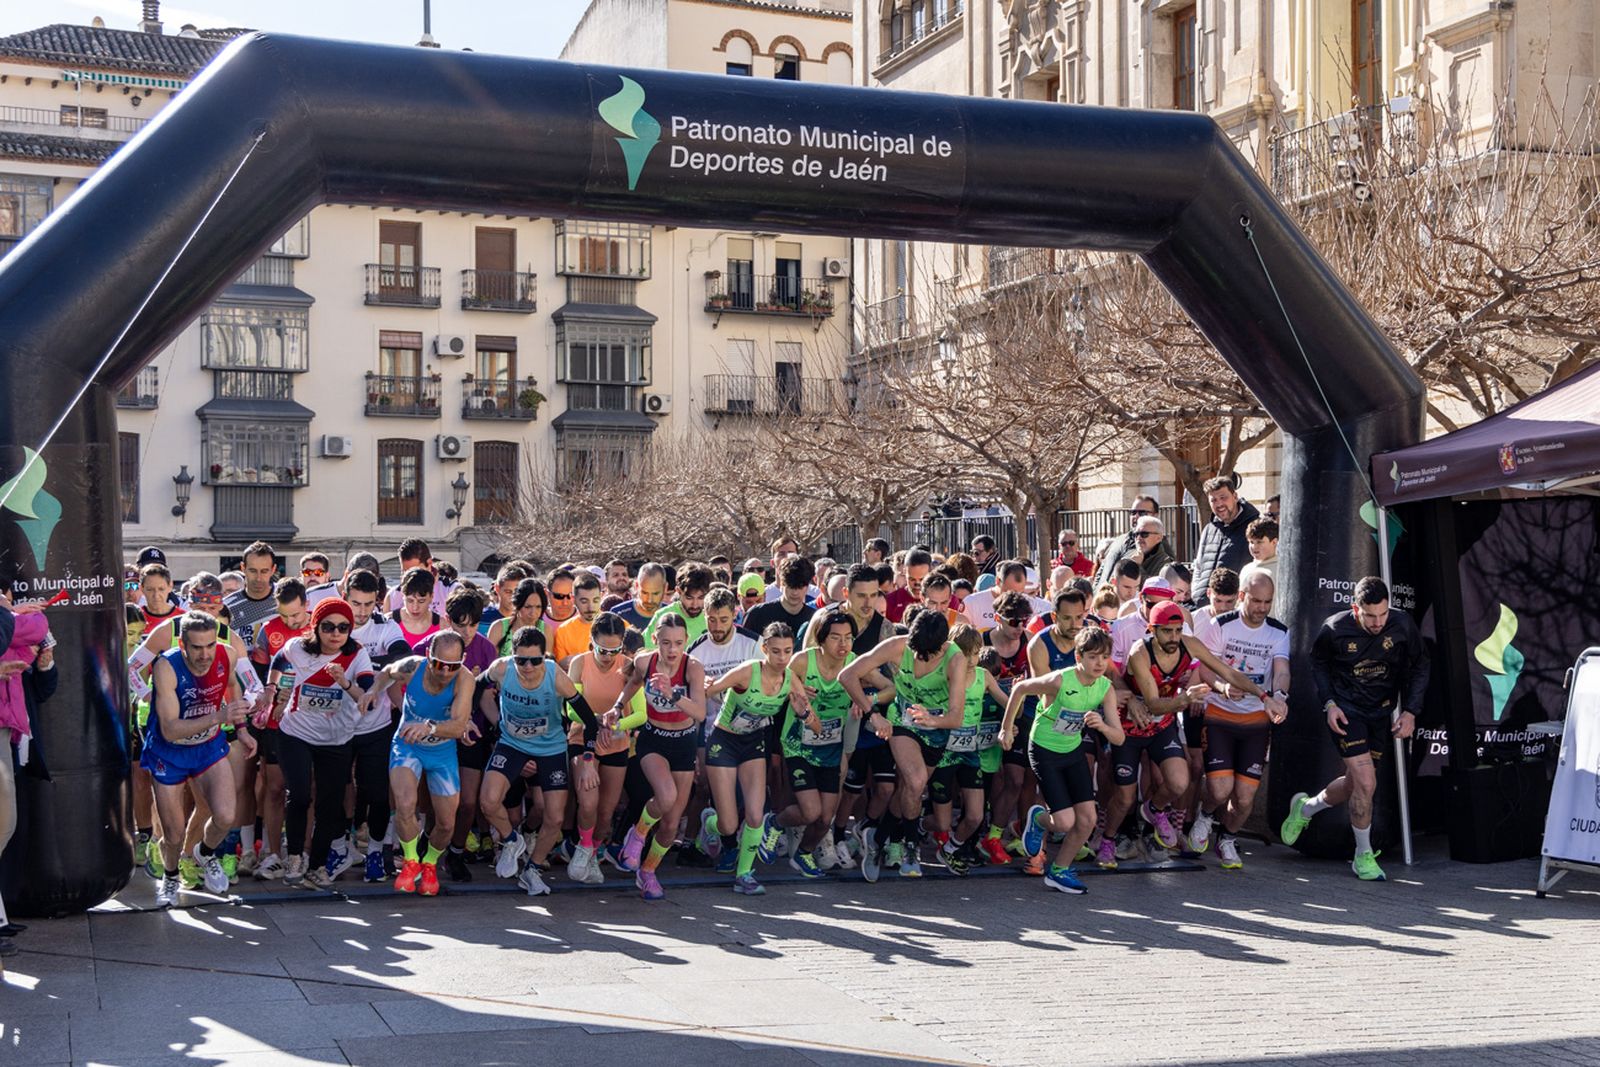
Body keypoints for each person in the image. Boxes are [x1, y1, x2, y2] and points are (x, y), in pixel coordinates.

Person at [1282, 576, 1428, 881]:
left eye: (1382, 614)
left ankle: (1305, 809)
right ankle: (1363, 855)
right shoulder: (1334, 628)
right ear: (1355, 608)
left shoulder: (1402, 625)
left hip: (1380, 713)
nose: (1378, 623)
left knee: (1356, 784)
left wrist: (1411, 711)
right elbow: (1318, 664)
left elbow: (1420, 665)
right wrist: (1330, 703)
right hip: (1347, 713)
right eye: (1370, 616)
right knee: (1366, 782)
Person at [1107, 601, 1268, 865]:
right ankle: (1107, 839)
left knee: (1179, 782)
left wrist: (1264, 696)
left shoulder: (1188, 644)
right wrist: (1185, 699)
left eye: (1178, 630)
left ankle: (1154, 809)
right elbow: (1152, 703)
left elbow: (1228, 672)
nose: (1173, 637)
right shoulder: (1140, 652)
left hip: (1162, 724)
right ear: (1151, 630)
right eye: (1166, 631)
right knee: (1124, 797)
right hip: (1132, 725)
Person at [842, 608, 970, 880]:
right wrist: (873, 714)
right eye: (916, 652)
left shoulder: (955, 659)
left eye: (928, 655)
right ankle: (911, 847)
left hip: (936, 729)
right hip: (903, 722)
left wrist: (932, 720)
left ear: (943, 646)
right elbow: (848, 675)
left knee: (911, 789)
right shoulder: (897, 646)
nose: (920, 659)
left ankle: (877, 838)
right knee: (916, 781)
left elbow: (957, 717)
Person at [262, 597, 377, 888]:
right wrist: (271, 688)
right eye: (328, 627)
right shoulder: (298, 648)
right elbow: (278, 660)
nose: (336, 633)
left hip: (336, 738)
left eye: (343, 627)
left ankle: (318, 865)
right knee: (300, 795)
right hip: (295, 733)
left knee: (330, 802)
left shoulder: (357, 654)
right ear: (316, 627)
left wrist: (344, 682)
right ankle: (295, 856)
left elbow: (366, 695)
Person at [999, 627, 1125, 894]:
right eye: (1092, 657)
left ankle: (1059, 871)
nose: (1099, 663)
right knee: (1065, 822)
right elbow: (1020, 688)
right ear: (1078, 657)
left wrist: (1102, 725)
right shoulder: (1060, 680)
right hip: (1044, 748)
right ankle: (1037, 820)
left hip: (1072, 749)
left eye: (1104, 657)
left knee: (1087, 819)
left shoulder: (1105, 688)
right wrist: (1006, 729)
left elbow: (1119, 738)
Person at [477, 625, 601, 895]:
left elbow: (590, 721)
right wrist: (470, 721)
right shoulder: (501, 668)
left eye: (535, 660)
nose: (528, 667)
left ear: (544, 656)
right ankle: (511, 840)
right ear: (512, 656)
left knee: (554, 817)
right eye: (521, 660)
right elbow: (475, 687)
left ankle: (532, 869)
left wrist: (588, 757)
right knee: (488, 801)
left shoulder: (556, 676)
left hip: (550, 748)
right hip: (512, 744)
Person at [144, 612, 251, 906]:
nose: (205, 655)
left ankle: (204, 852)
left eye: (210, 645)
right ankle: (170, 875)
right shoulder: (166, 667)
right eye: (197, 648)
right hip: (169, 752)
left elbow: (231, 686)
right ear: (182, 645)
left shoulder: (227, 655)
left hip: (207, 747)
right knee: (173, 834)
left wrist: (241, 729)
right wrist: (218, 717)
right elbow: (170, 729)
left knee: (226, 816)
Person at [778, 609, 893, 877]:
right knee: (810, 811)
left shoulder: (854, 664)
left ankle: (804, 853)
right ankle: (774, 823)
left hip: (831, 747)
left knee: (824, 817)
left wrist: (865, 699)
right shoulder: (803, 661)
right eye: (835, 638)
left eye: (848, 637)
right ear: (821, 639)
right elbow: (773, 685)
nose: (843, 644)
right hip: (798, 743)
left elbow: (890, 688)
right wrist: (792, 691)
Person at [1190, 572, 1290, 867]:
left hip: (1256, 719)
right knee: (1220, 789)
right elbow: (1205, 668)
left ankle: (1227, 837)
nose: (1262, 608)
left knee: (1245, 797)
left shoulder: (1279, 631)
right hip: (1220, 714)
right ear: (1243, 596)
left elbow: (1282, 669)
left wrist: (1280, 695)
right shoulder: (1220, 625)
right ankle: (1205, 815)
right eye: (1257, 601)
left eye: (1268, 602)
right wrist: (1221, 687)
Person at [608, 613, 708, 900]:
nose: (672, 650)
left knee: (671, 824)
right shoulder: (645, 662)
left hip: (684, 743)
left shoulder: (693, 667)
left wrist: (673, 694)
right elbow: (633, 682)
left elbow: (700, 713)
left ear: (686, 641)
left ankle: (648, 871)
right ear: (655, 640)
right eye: (666, 643)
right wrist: (617, 707)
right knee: (665, 796)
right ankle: (637, 834)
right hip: (654, 740)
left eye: (678, 643)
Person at [369, 630, 476, 896]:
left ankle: (429, 862)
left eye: (453, 665)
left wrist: (428, 727)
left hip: (441, 752)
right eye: (439, 664)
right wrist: (372, 692)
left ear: (462, 661)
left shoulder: (465, 679)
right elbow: (387, 673)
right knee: (405, 805)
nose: (445, 671)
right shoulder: (413, 667)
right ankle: (410, 860)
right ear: (428, 656)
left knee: (446, 823)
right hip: (408, 746)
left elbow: (458, 726)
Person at [701, 622, 796, 894]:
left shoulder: (790, 678)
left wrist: (805, 713)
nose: (782, 658)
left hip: (754, 743)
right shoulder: (747, 671)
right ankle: (709, 823)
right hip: (724, 741)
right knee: (728, 824)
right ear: (764, 649)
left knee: (756, 816)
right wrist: (704, 684)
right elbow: (708, 691)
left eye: (787, 651)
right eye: (775, 651)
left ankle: (744, 875)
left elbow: (809, 715)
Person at [340, 569, 413, 882]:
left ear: (377, 602)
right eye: (355, 603)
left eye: (368, 604)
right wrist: (380, 669)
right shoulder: (333, 623)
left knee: (378, 792)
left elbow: (404, 659)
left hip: (376, 724)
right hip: (337, 725)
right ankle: (341, 848)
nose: (361, 611)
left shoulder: (385, 626)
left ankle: (374, 852)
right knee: (337, 790)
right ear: (344, 597)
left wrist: (371, 670)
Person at [566, 612, 642, 875]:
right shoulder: (579, 663)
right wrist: (596, 720)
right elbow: (570, 709)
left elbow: (641, 715)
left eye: (615, 650)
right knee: (588, 803)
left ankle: (594, 853)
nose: (608, 657)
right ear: (592, 642)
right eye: (602, 650)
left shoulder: (630, 666)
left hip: (616, 744)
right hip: (582, 739)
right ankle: (584, 846)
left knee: (606, 812)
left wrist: (614, 725)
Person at [930, 624, 1009, 874]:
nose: (971, 660)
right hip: (943, 751)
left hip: (970, 752)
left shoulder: (984, 676)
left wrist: (1008, 726)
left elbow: (1010, 703)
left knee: (975, 816)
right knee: (941, 822)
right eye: (965, 654)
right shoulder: (942, 674)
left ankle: (950, 849)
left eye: (975, 653)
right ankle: (916, 828)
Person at [1191, 476, 1261, 602]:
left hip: (1234, 605)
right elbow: (1199, 566)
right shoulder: (1209, 529)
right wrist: (1196, 592)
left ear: (1235, 496)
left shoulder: (1254, 527)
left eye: (1223, 497)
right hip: (1203, 605)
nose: (1219, 504)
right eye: (1213, 500)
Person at [961, 560, 1052, 632]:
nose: (1014, 598)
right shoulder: (972, 603)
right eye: (1008, 592)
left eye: (1019, 593)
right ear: (997, 581)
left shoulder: (1031, 605)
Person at [223, 541, 280, 651]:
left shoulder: (287, 598)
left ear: (273, 570)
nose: (258, 578)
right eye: (253, 571)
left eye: (264, 571)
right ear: (243, 568)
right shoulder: (226, 607)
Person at [641, 562, 713, 648]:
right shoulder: (662, 616)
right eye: (689, 598)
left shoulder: (713, 617)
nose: (695, 605)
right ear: (678, 591)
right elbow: (643, 650)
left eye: (701, 598)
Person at [743, 554, 817, 636]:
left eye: (800, 587)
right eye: (790, 586)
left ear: (807, 587)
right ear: (781, 583)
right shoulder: (757, 615)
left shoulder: (816, 619)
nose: (795, 593)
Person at [1096, 496, 1160, 586]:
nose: (1136, 516)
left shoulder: (1160, 548)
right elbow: (1101, 571)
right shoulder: (1119, 540)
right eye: (1133, 512)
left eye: (1142, 513)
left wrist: (1136, 566)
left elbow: (1156, 585)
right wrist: (1094, 591)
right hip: (1103, 594)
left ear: (1155, 515)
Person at [552, 570, 605, 668]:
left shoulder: (618, 625)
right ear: (573, 599)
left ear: (601, 596)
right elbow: (560, 665)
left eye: (595, 600)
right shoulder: (563, 631)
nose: (590, 607)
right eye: (584, 601)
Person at [384, 539, 450, 615]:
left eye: (415, 571)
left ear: (429, 563)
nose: (410, 577)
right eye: (405, 572)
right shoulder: (392, 596)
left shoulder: (449, 590)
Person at [488, 577, 547, 655]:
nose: (533, 612)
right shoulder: (498, 628)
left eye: (538, 607)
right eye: (528, 607)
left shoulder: (546, 630)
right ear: (517, 605)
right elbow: (489, 660)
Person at [612, 562, 667, 632]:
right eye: (644, 593)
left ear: (665, 588)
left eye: (655, 593)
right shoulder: (618, 615)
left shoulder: (673, 614)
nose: (649, 600)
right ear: (636, 586)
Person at [882, 548, 932, 624]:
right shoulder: (889, 601)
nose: (917, 584)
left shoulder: (943, 600)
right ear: (905, 572)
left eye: (922, 579)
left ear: (930, 573)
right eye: (912, 579)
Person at [1237, 518, 1279, 588]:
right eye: (1251, 542)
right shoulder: (1246, 569)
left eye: (1259, 542)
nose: (1254, 547)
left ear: (1274, 542)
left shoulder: (1280, 571)